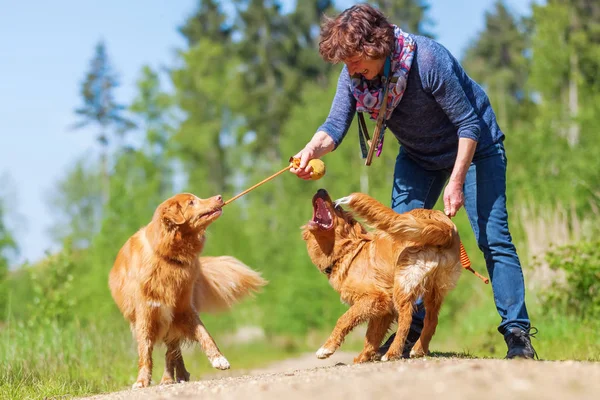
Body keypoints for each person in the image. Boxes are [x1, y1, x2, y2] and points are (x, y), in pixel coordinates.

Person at [290, 3, 537, 359]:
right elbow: (334, 127)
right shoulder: (355, 77)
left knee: (492, 238)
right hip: (419, 156)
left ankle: (517, 334)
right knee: (397, 239)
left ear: (375, 45)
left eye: (354, 59)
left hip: (474, 148)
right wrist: (311, 150)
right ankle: (411, 330)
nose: (350, 69)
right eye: (344, 62)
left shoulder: (428, 61)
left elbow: (469, 125)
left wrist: (456, 182)